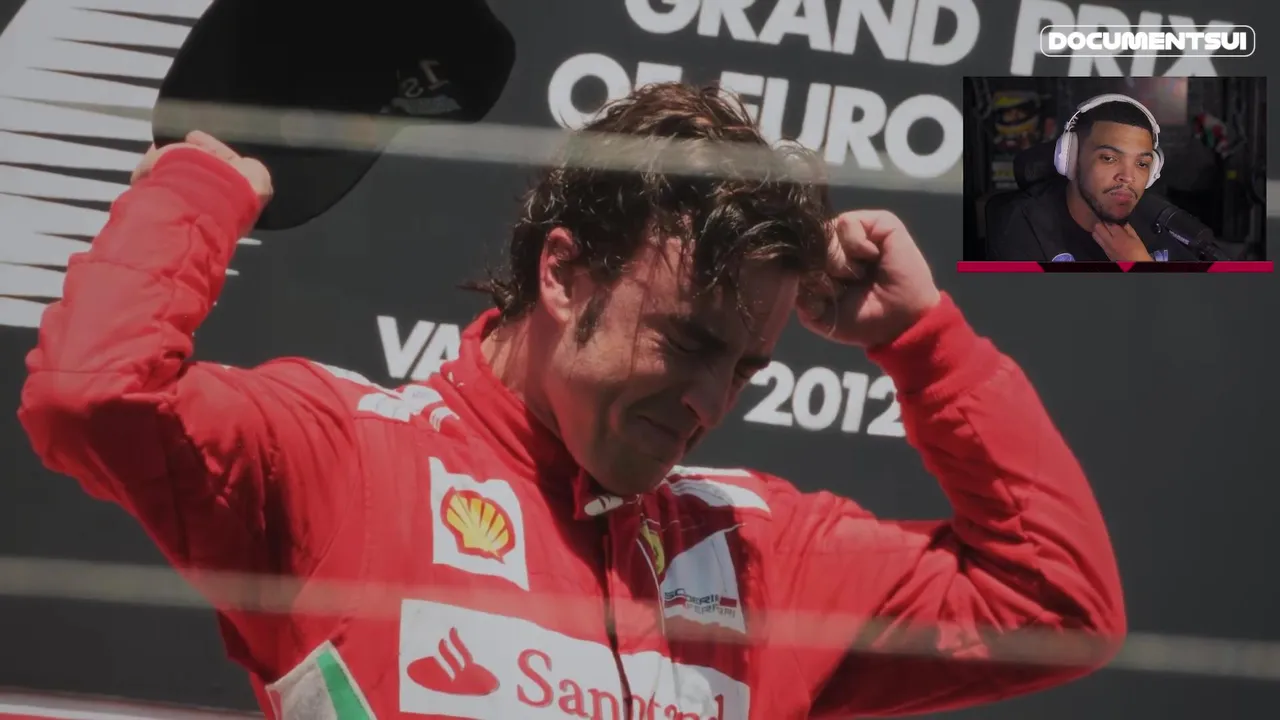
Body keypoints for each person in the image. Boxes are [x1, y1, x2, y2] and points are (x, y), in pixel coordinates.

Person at [19, 82, 1125, 719]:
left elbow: (1057, 609)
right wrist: (205, 177)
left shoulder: (757, 550)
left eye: (744, 369)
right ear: (562, 273)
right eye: (686, 342)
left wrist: (921, 344)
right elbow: (89, 396)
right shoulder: (347, 460)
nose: (708, 400)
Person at [986, 93, 1199, 262]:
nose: (1128, 177)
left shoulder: (1161, 222)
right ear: (1071, 158)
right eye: (1109, 158)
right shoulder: (1022, 226)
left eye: (1142, 164)